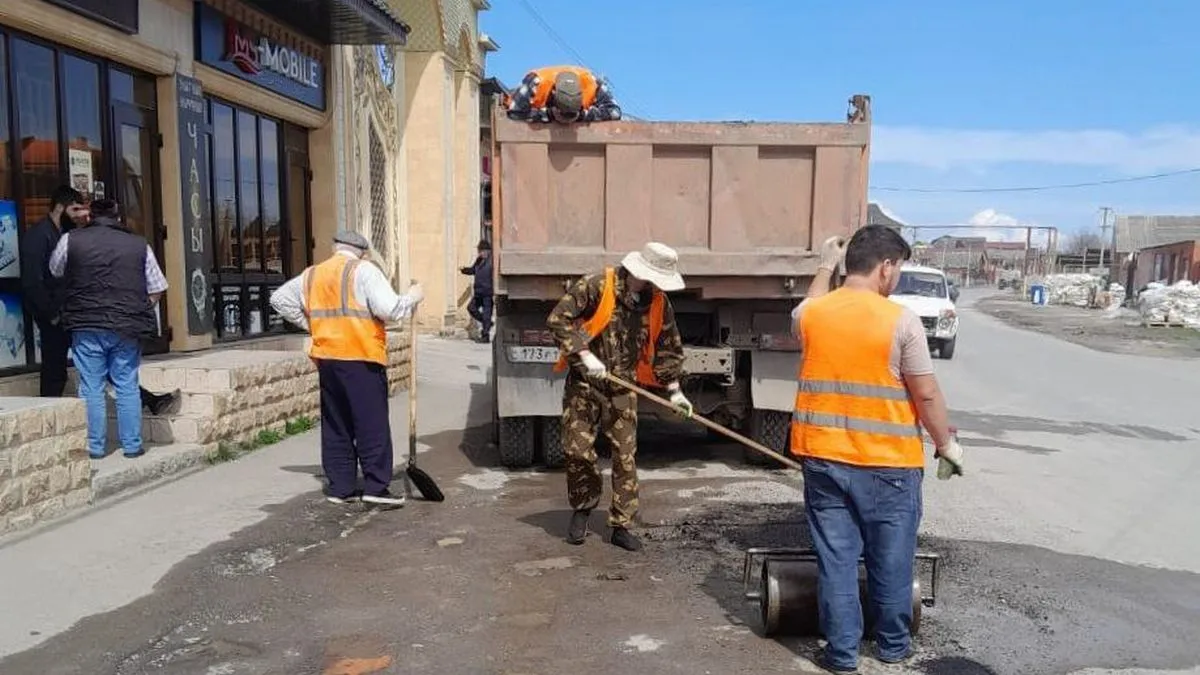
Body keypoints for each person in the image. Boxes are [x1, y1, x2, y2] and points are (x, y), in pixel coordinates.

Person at [789, 225, 965, 673]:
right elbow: (925, 394)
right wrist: (946, 443)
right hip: (889, 466)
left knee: (837, 563)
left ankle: (842, 654)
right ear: (885, 267)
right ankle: (891, 647)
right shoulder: (899, 319)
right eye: (899, 267)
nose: (899, 277)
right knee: (890, 562)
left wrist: (825, 265)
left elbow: (806, 306)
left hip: (824, 461)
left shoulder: (813, 315)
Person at [546, 242, 692, 552]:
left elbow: (669, 348)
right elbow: (558, 319)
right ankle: (583, 507)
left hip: (624, 387)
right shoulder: (598, 285)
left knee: (625, 456)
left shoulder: (658, 303)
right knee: (577, 452)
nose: (656, 285)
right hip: (585, 385)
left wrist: (676, 392)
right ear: (640, 271)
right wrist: (585, 355)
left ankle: (622, 524)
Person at [269, 230, 425, 508]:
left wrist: (314, 327)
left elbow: (279, 300)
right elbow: (390, 310)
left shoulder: (313, 274)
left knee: (336, 423)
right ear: (362, 252)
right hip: (360, 355)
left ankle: (341, 487)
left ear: (336, 248)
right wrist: (413, 297)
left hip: (327, 357)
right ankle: (377, 486)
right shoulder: (364, 271)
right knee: (371, 423)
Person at [50, 199, 168, 459]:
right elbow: (158, 286)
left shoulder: (72, 239)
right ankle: (132, 446)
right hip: (127, 326)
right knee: (126, 384)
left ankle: (95, 447)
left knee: (91, 386)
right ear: (118, 217)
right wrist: (140, 306)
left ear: (90, 215)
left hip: (86, 323)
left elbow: (55, 268)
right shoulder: (139, 244)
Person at [21, 185, 89, 397]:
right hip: (53, 314)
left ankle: (148, 399)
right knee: (55, 371)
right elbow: (32, 281)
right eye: (75, 210)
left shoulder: (67, 234)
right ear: (60, 207)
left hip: (67, 310)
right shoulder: (39, 235)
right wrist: (51, 314)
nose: (79, 215)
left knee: (92, 361)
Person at [506, 65, 622, 124]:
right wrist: (548, 114)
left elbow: (615, 112)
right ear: (553, 93)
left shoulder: (592, 82)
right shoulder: (536, 81)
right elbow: (514, 113)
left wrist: (583, 115)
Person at [459, 239, 494, 343]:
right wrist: (464, 270)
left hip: (488, 293)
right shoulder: (479, 260)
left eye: (483, 251)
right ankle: (487, 323)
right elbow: (473, 270)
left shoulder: (492, 261)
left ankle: (485, 336)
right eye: (480, 251)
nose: (481, 253)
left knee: (487, 314)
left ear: (488, 251)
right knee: (471, 308)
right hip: (478, 293)